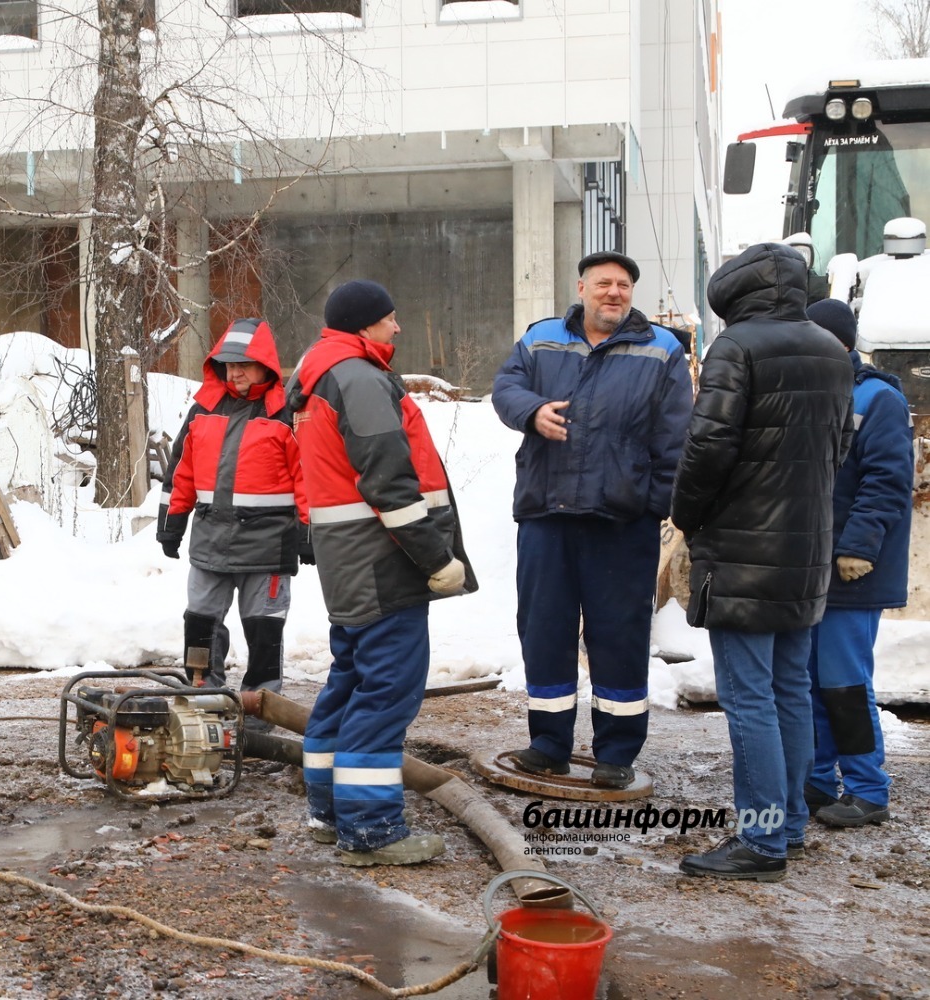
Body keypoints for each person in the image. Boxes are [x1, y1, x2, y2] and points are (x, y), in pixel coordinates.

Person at [671, 243, 855, 881]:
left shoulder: (738, 347)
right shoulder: (834, 351)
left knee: (749, 697)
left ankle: (762, 840)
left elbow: (708, 445)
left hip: (744, 550)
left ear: (734, 294)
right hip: (806, 548)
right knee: (789, 691)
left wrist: (686, 516)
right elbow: (840, 446)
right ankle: (791, 826)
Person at [284, 279, 476, 866]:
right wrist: (436, 558)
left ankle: (329, 809)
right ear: (365, 325)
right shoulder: (360, 379)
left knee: (349, 684)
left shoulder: (324, 376)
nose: (397, 329)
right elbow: (389, 484)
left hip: (351, 562)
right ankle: (371, 830)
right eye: (390, 319)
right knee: (387, 692)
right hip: (381, 560)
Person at [490, 250, 692, 790]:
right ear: (581, 288)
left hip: (620, 523)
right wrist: (531, 411)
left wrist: (651, 505)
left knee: (618, 635)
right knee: (545, 631)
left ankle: (616, 753)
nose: (614, 293)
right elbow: (505, 389)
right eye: (604, 283)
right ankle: (548, 745)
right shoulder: (540, 340)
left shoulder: (662, 350)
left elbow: (675, 440)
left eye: (623, 285)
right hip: (546, 513)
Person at [156, 318, 309, 716]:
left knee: (264, 634)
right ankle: (202, 701)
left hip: (268, 546)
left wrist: (309, 532)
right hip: (211, 541)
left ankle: (261, 710)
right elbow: (181, 473)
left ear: (266, 366)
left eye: (245, 363)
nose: (235, 371)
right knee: (200, 626)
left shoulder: (285, 415)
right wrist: (171, 523)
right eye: (228, 364)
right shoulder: (202, 410)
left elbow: (307, 477)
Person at [802, 297, 912, 829]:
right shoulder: (812, 392)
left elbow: (888, 482)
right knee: (809, 680)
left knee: (843, 682)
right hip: (811, 565)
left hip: (853, 569)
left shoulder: (877, 399)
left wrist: (858, 548)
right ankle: (820, 782)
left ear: (840, 343)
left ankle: (869, 789)